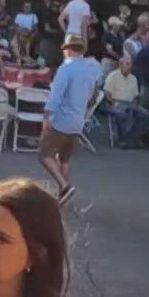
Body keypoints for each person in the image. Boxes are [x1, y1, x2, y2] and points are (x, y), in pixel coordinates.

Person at [39, 34, 102, 205]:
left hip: (62, 119)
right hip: (78, 120)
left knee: (45, 154)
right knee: (65, 158)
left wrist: (46, 115)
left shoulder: (66, 68)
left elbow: (56, 95)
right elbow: (93, 95)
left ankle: (65, 187)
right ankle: (63, 194)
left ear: (68, 50)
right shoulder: (91, 69)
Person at [103, 55, 148, 148]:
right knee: (121, 113)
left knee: (144, 113)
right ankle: (122, 139)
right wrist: (114, 102)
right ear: (120, 64)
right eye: (126, 64)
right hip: (115, 102)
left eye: (130, 64)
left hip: (129, 103)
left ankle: (135, 139)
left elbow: (136, 95)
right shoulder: (113, 76)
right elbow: (107, 93)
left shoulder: (133, 78)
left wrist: (134, 104)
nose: (129, 66)